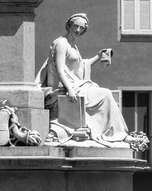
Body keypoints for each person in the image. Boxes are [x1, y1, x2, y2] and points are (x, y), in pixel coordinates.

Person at [37, 12, 130, 147]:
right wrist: (70, 89)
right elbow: (60, 70)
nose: (78, 30)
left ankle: (117, 134)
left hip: (75, 84)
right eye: (75, 26)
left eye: (81, 28)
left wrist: (98, 57)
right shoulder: (62, 44)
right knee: (105, 94)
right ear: (69, 26)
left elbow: (81, 66)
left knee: (105, 94)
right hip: (65, 87)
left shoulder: (73, 45)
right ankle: (117, 134)